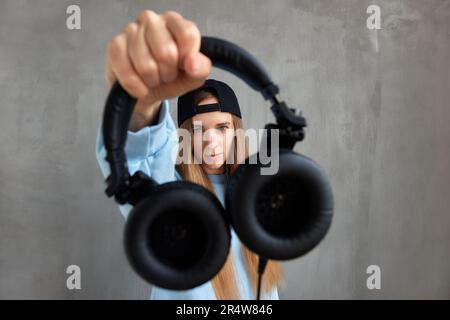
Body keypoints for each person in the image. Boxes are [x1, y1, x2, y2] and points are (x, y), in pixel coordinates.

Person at [95, 10, 284, 300]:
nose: (211, 141)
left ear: (236, 132)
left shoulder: (255, 196)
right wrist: (141, 104)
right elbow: (134, 158)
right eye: (198, 131)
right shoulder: (168, 192)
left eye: (222, 128)